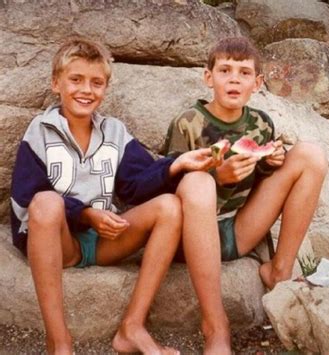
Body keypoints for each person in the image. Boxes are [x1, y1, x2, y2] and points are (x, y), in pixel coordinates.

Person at [10, 37, 218, 355]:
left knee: (169, 207)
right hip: (59, 243)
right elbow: (28, 198)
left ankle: (132, 326)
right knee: (46, 202)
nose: (86, 90)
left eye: (96, 82)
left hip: (105, 240)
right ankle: (59, 342)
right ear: (56, 83)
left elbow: (137, 183)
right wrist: (84, 213)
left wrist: (177, 164)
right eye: (76, 80)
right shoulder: (39, 131)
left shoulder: (115, 132)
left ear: (106, 89)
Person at [164, 36, 328, 354]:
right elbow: (169, 189)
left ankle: (280, 269)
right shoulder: (187, 123)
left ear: (257, 83)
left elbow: (259, 179)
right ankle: (216, 326)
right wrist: (216, 175)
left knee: (311, 154)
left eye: (244, 72)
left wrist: (271, 164)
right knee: (198, 186)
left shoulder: (260, 123)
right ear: (208, 77)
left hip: (238, 230)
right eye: (225, 70)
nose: (234, 79)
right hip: (190, 236)